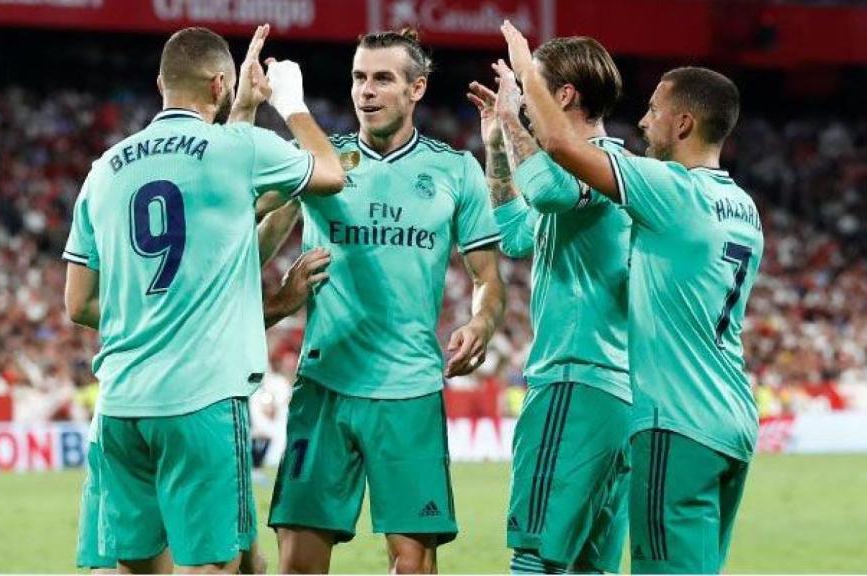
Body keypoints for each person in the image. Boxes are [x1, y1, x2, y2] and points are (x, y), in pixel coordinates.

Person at [63, 24, 344, 574]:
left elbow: (78, 304)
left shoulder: (103, 170)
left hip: (120, 406)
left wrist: (152, 320)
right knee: (218, 566)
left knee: (140, 568)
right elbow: (330, 172)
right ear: (220, 83)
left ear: (161, 83)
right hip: (201, 402)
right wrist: (292, 104)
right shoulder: (237, 148)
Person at [502, 22, 764, 574]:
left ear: (684, 123)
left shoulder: (671, 191)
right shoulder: (743, 207)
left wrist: (528, 76)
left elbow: (561, 148)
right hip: (733, 417)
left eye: (654, 109)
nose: (643, 121)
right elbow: (522, 228)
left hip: (677, 417)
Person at [261, 29, 506, 574]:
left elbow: (487, 278)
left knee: (413, 565)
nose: (365, 91)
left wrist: (481, 324)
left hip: (410, 391)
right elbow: (246, 253)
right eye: (358, 78)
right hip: (324, 388)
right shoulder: (318, 163)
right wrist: (279, 300)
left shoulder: (454, 170)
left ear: (416, 88)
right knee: (298, 564)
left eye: (382, 79)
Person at [467, 36, 632, 574]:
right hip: (617, 394)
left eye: (532, 87)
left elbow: (546, 193)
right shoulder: (607, 173)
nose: (522, 98)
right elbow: (515, 235)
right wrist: (496, 143)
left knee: (536, 558)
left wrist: (516, 114)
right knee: (587, 566)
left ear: (562, 96)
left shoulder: (600, 164)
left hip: (576, 380)